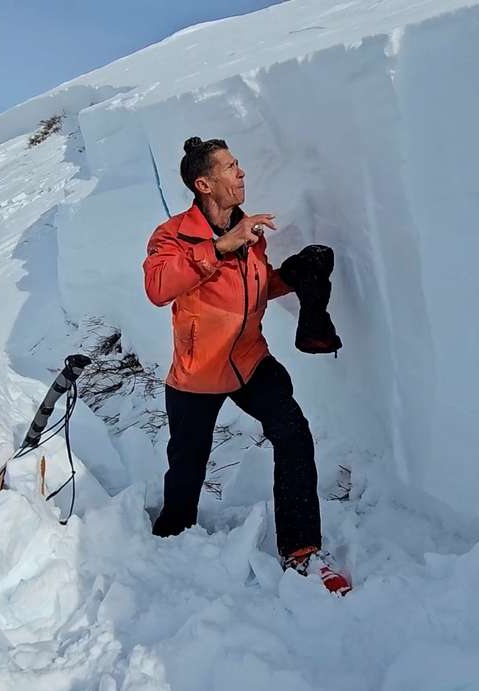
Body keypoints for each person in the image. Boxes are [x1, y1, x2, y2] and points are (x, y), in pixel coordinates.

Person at [141, 136, 350, 595]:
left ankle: (301, 551)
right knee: (187, 468)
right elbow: (158, 288)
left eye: (239, 164)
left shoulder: (249, 233)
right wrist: (218, 247)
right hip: (197, 374)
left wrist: (289, 277)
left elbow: (251, 292)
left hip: (251, 360)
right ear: (204, 183)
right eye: (231, 167)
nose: (241, 173)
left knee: (292, 431)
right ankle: (169, 543)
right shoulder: (172, 235)